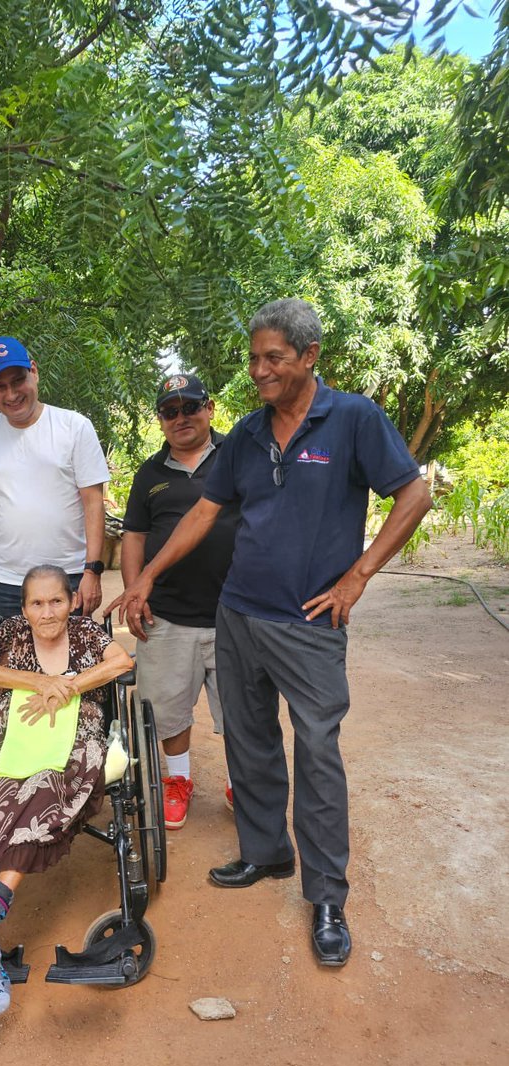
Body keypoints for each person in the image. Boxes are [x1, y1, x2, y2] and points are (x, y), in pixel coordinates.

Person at [107, 300, 431, 967]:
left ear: (309, 356)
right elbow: (204, 512)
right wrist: (146, 579)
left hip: (309, 624)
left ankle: (328, 897)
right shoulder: (249, 434)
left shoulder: (353, 419)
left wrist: (357, 577)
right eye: (254, 358)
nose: (258, 370)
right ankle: (266, 852)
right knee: (250, 741)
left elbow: (414, 495)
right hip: (239, 614)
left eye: (273, 358)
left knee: (317, 751)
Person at [0, 564, 133, 1017]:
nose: (47, 612)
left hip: (76, 744)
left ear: (72, 602)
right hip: (13, 742)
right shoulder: (10, 635)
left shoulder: (86, 634)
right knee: (2, 801)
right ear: (23, 609)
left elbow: (122, 662)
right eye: (37, 603)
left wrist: (69, 686)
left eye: (56, 601)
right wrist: (37, 681)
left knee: (45, 786)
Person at [121, 373, 238, 829]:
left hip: (235, 613)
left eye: (190, 406)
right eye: (171, 411)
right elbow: (134, 537)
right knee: (167, 710)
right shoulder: (149, 473)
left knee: (242, 708)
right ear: (161, 419)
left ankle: (240, 781)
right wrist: (135, 592)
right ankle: (178, 780)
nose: (181, 417)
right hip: (168, 615)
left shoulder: (237, 454)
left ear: (209, 408)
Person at [0, 336, 110, 627]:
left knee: (69, 658)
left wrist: (92, 570)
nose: (11, 394)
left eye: (18, 380)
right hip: (7, 583)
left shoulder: (74, 427)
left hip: (69, 577)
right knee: (10, 658)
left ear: (34, 372)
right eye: (0, 386)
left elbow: (93, 503)